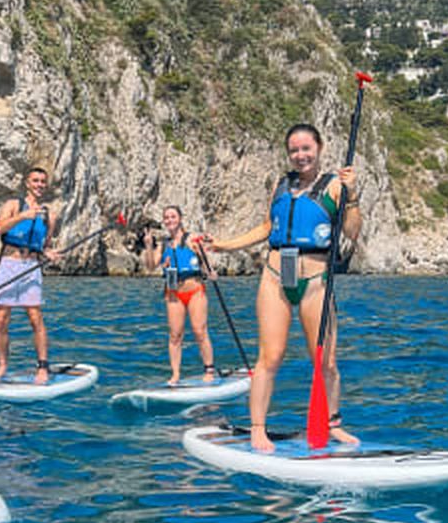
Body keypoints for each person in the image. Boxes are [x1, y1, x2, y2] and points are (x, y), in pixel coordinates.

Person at [207, 123, 362, 452]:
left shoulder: (336, 186)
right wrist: (224, 246)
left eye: (306, 148)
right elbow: (267, 226)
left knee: (326, 361)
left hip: (316, 279)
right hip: (277, 274)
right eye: (294, 150)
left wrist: (353, 196)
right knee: (270, 357)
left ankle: (333, 425)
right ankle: (257, 429)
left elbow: (353, 232)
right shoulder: (281, 185)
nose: (300, 155)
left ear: (319, 148)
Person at [0, 167, 59, 384]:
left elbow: (44, 246)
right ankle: (2, 366)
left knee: (35, 317)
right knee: (1, 319)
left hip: (31, 267)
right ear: (27, 183)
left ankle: (42, 367)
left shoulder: (50, 215)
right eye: (35, 181)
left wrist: (49, 253)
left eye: (42, 182)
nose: (39, 185)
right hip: (9, 264)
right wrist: (22, 216)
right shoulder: (14, 204)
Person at [142, 205, 217, 385]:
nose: (169, 220)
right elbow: (151, 266)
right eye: (166, 218)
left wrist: (209, 270)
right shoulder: (163, 244)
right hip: (173, 293)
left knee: (200, 331)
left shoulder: (191, 239)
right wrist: (148, 246)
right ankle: (175, 374)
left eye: (173, 217)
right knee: (175, 335)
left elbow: (204, 262)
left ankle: (209, 369)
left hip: (195, 290)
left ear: (180, 218)